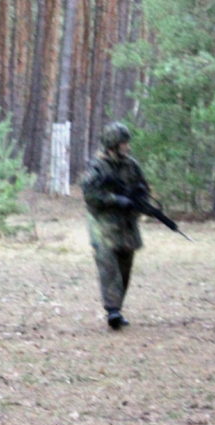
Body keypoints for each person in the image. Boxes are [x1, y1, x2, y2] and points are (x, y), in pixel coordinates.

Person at [82, 121, 148, 330]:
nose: (127, 147)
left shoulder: (131, 165)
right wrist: (115, 200)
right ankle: (113, 311)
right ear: (113, 144)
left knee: (125, 265)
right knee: (108, 263)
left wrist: (139, 199)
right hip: (103, 222)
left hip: (126, 222)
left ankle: (117, 306)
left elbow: (142, 186)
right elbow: (90, 194)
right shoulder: (98, 167)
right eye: (123, 143)